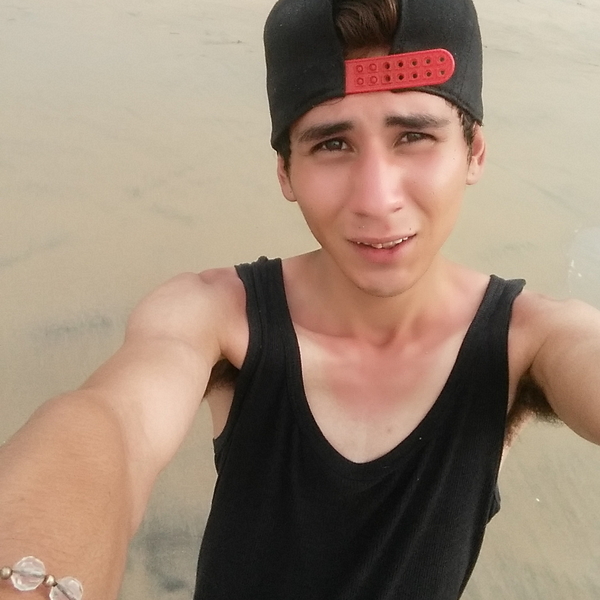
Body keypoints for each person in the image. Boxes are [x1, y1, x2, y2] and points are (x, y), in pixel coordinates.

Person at [1, 0, 599, 599]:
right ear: (285, 172)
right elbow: (105, 427)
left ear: (474, 152)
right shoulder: (218, 318)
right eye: (333, 144)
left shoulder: (532, 341)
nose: (376, 199)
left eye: (414, 136)